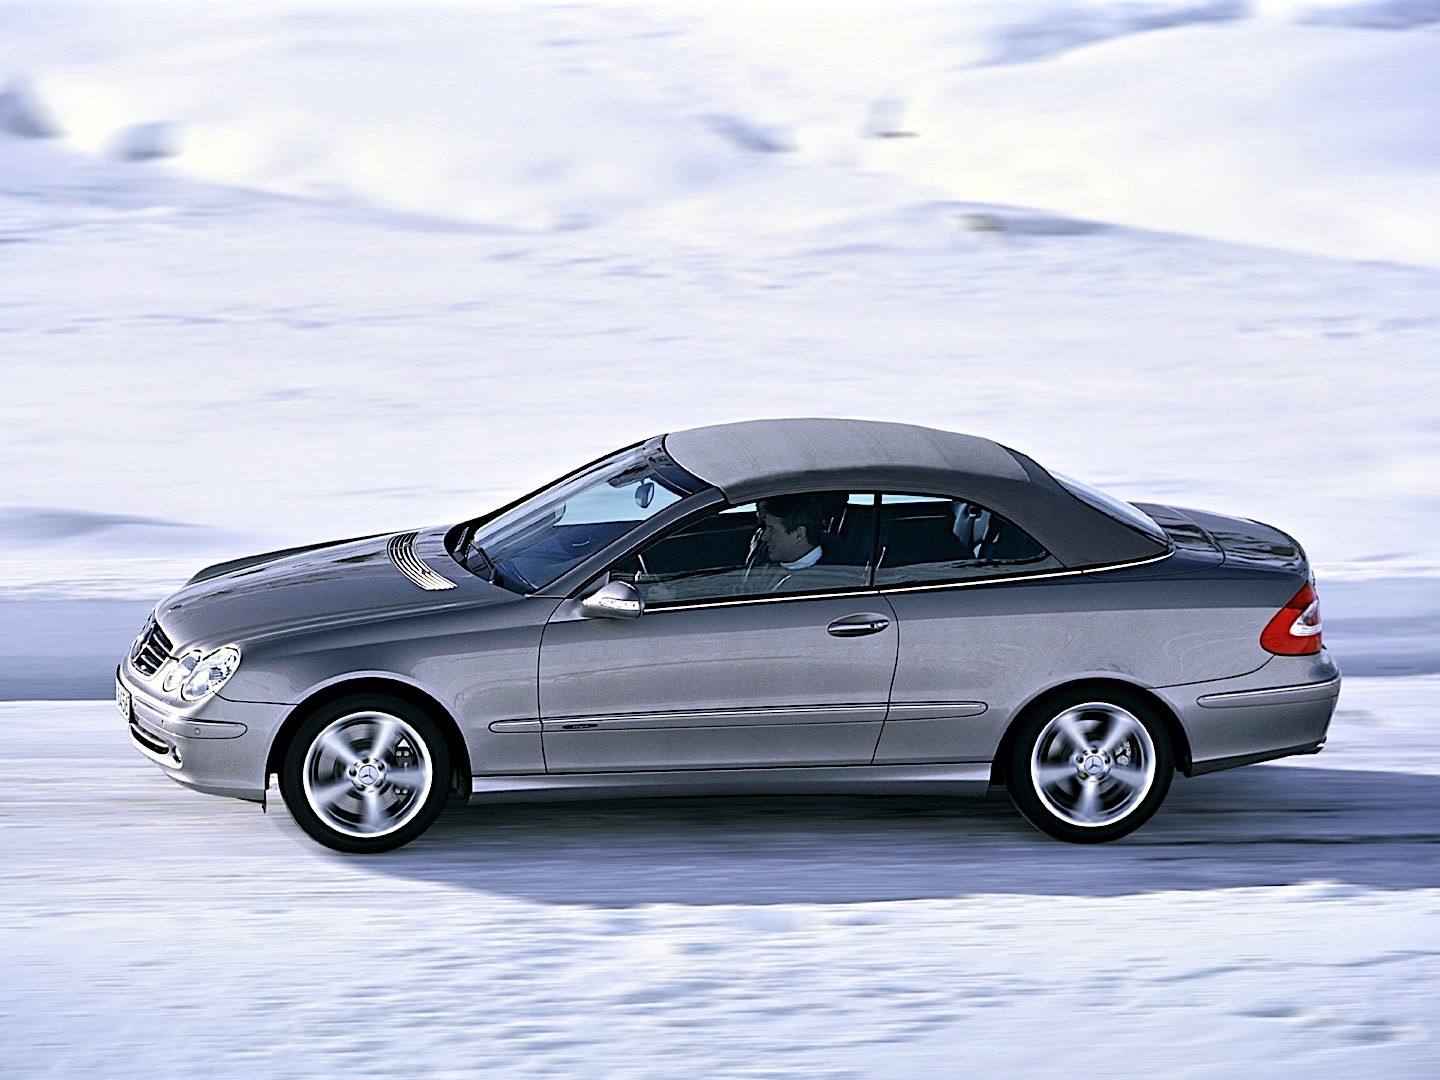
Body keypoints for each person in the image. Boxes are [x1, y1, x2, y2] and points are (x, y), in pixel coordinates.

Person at [746, 494, 829, 594]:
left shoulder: (824, 582)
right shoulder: (770, 559)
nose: (764, 537)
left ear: (799, 534)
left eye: (772, 529)